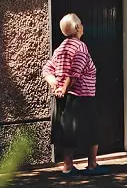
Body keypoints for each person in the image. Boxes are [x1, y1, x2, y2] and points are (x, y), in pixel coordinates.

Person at [43, 13, 108, 176]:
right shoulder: (80, 47)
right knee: (92, 129)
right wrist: (64, 88)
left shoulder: (61, 48)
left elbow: (47, 69)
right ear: (78, 28)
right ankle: (92, 164)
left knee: (67, 131)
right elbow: (75, 73)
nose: (83, 26)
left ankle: (68, 167)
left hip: (64, 98)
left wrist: (56, 84)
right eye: (81, 24)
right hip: (82, 96)